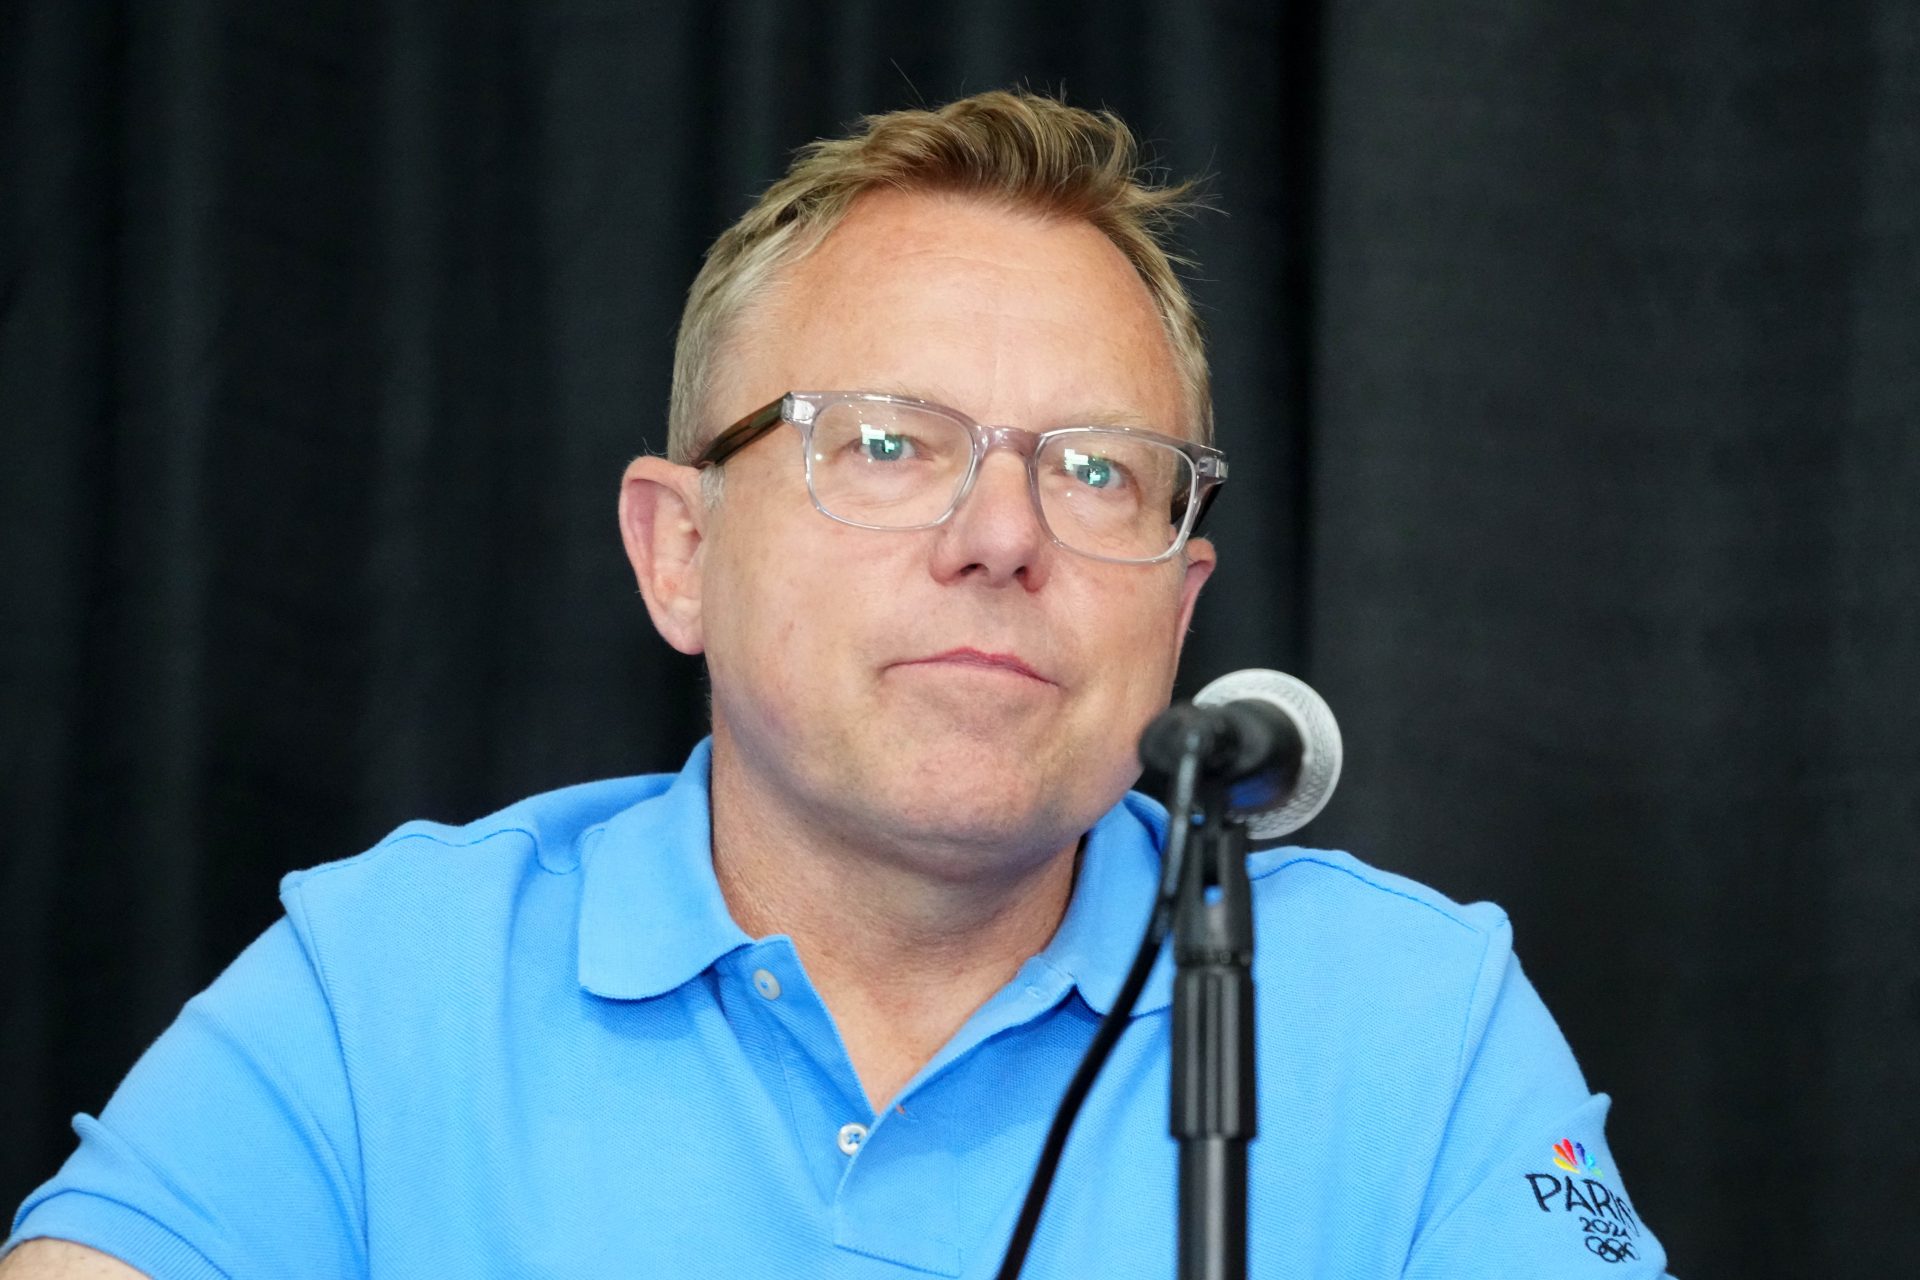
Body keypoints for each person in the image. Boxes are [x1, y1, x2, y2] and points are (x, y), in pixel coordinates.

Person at [3, 91, 1672, 1278]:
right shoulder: (389, 991)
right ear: (677, 554)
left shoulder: (1410, 1025)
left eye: (1099, 472)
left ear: (1183, 603)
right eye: (887, 444)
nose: (1003, 534)